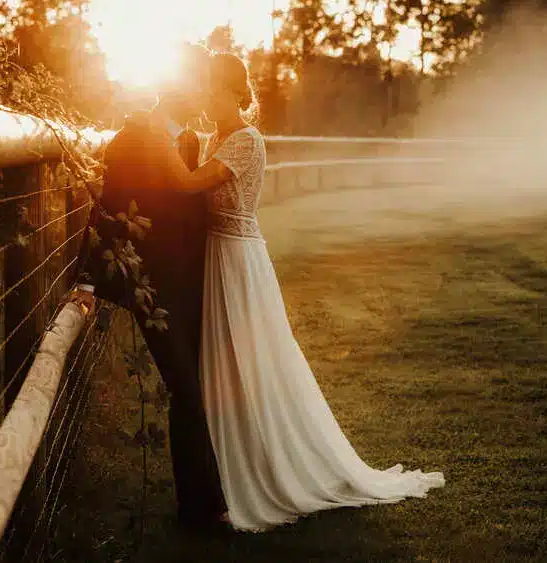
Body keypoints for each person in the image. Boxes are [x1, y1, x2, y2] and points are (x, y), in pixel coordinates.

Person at [152, 51, 445, 532]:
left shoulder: (245, 139)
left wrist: (153, 133)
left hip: (238, 259)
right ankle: (225, 469)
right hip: (215, 256)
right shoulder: (214, 138)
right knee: (220, 367)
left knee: (253, 363)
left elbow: (185, 184)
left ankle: (269, 470)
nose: (203, 98)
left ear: (230, 92)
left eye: (209, 89)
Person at [70, 52, 229, 533]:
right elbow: (108, 208)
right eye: (202, 82)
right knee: (185, 384)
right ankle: (204, 513)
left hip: (191, 279)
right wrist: (87, 280)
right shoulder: (134, 136)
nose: (208, 93)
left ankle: (208, 502)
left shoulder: (184, 138)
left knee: (197, 387)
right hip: (150, 285)